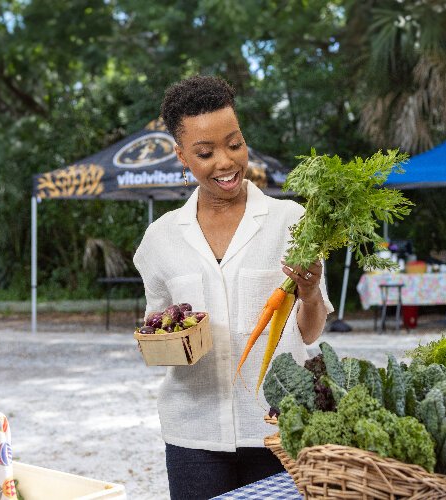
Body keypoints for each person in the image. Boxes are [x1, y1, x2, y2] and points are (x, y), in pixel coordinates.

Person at [133, 75, 333, 499]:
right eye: (205, 152)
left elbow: (310, 333)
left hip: (277, 431)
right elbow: (157, 329)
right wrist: (168, 339)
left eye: (235, 144)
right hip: (193, 435)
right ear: (182, 155)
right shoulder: (160, 238)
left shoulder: (290, 222)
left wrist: (311, 293)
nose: (225, 162)